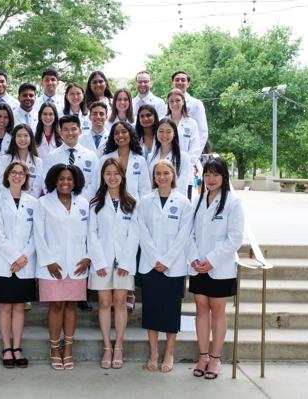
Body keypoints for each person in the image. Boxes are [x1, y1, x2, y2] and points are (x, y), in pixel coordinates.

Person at [188, 156, 244, 380]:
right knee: (201, 308)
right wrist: (194, 258)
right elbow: (190, 233)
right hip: (198, 266)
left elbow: (235, 238)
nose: (211, 179)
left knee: (218, 311)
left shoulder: (233, 202)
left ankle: (216, 358)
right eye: (207, 174)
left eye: (216, 174)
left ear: (224, 176)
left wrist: (211, 260)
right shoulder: (199, 200)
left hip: (219, 267)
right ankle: (203, 356)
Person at [139, 160, 193, 373]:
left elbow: (184, 235)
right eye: (158, 173)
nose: (161, 177)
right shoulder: (145, 201)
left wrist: (167, 260)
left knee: (171, 312)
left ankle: (169, 353)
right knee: (151, 311)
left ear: (173, 176)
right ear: (154, 177)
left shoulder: (183, 202)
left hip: (174, 267)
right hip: (150, 265)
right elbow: (142, 231)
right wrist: (155, 259)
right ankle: (153, 353)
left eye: (165, 173)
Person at [34, 164, 90, 370]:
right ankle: (54, 348)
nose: (65, 182)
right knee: (56, 305)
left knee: (71, 305)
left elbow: (91, 233)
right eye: (61, 179)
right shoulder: (42, 203)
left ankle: (68, 348)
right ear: (54, 181)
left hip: (77, 263)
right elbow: (38, 234)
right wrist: (48, 260)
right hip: (52, 264)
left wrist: (88, 257)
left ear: (75, 182)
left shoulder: (84, 203)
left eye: (69, 179)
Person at [88, 158, 139, 369]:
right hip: (102, 262)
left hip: (124, 263)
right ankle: (107, 347)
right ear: (103, 176)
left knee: (120, 303)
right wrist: (98, 261)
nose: (112, 177)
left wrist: (127, 261)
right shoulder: (96, 203)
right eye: (108, 173)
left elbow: (134, 234)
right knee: (103, 303)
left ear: (123, 176)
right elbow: (91, 234)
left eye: (116, 173)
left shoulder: (132, 203)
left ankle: (119, 345)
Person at [0, 161, 38, 368]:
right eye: (14, 173)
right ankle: (6, 348)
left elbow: (37, 234)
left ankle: (17, 347)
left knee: (19, 307)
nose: (17, 176)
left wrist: (24, 257)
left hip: (24, 264)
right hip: (3, 263)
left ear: (26, 178)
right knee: (5, 307)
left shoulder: (33, 202)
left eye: (21, 173)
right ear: (7, 176)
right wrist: (15, 258)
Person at [43, 114, 98, 200]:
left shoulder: (91, 156)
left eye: (73, 129)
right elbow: (46, 182)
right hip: (57, 204)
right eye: (65, 130)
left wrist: (79, 200)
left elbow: (95, 183)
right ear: (60, 132)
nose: (70, 133)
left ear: (80, 131)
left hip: (84, 204)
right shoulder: (51, 156)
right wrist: (61, 199)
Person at [99, 122, 151, 201]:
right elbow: (98, 186)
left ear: (130, 134)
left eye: (124, 132)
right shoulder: (104, 159)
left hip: (134, 208)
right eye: (116, 133)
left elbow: (145, 190)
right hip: (110, 206)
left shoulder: (140, 160)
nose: (120, 135)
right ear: (113, 137)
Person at [147, 118, 192, 197]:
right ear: (156, 133)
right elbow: (148, 182)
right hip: (154, 200)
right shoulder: (150, 157)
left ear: (174, 133)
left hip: (175, 201)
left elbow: (182, 185)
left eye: (168, 132)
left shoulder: (184, 157)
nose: (164, 135)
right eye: (161, 131)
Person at [0, 124, 44, 198]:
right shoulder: (4, 159)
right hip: (8, 202)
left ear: (31, 138)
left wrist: (25, 202)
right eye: (19, 136)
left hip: (30, 204)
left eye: (25, 135)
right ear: (14, 138)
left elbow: (36, 188)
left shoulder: (38, 162)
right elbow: (0, 185)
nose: (22, 139)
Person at [171, 71, 209, 150]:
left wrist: (195, 155)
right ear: (172, 83)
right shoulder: (167, 105)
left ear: (188, 84)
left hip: (191, 149)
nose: (180, 82)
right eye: (177, 80)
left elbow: (202, 132)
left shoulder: (196, 104)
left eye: (183, 80)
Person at [166, 88, 202, 165]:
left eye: (178, 100)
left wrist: (187, 164)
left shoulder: (191, 123)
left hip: (186, 165)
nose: (174, 103)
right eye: (171, 101)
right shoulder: (162, 121)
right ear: (168, 103)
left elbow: (195, 148)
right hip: (165, 165)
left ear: (183, 102)